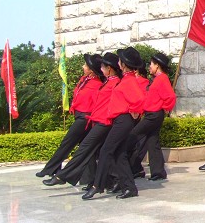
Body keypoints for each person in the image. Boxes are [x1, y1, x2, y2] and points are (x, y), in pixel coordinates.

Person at [42, 52, 121, 189]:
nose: (101, 69)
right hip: (96, 121)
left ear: (109, 68)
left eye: (103, 66)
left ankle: (62, 175)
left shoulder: (114, 83)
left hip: (103, 122)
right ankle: (106, 181)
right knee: (97, 152)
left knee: (85, 149)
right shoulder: (107, 81)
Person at [81, 47, 146, 200]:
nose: (118, 62)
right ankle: (129, 188)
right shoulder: (126, 79)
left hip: (123, 121)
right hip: (120, 120)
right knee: (119, 153)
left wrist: (134, 111)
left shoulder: (129, 80)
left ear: (123, 64)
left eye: (120, 60)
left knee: (106, 150)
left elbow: (140, 100)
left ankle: (98, 185)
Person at [36, 53, 104, 178]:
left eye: (85, 65)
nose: (83, 67)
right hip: (79, 116)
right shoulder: (84, 80)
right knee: (85, 149)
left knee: (67, 143)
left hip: (85, 118)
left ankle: (50, 168)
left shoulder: (97, 85)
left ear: (91, 70)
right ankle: (89, 179)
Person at [128, 53, 177, 181]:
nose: (149, 67)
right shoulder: (158, 79)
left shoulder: (162, 79)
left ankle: (133, 167)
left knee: (133, 135)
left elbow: (170, 97)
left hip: (154, 115)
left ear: (157, 65)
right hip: (152, 113)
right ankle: (158, 172)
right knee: (152, 141)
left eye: (151, 64)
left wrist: (165, 108)